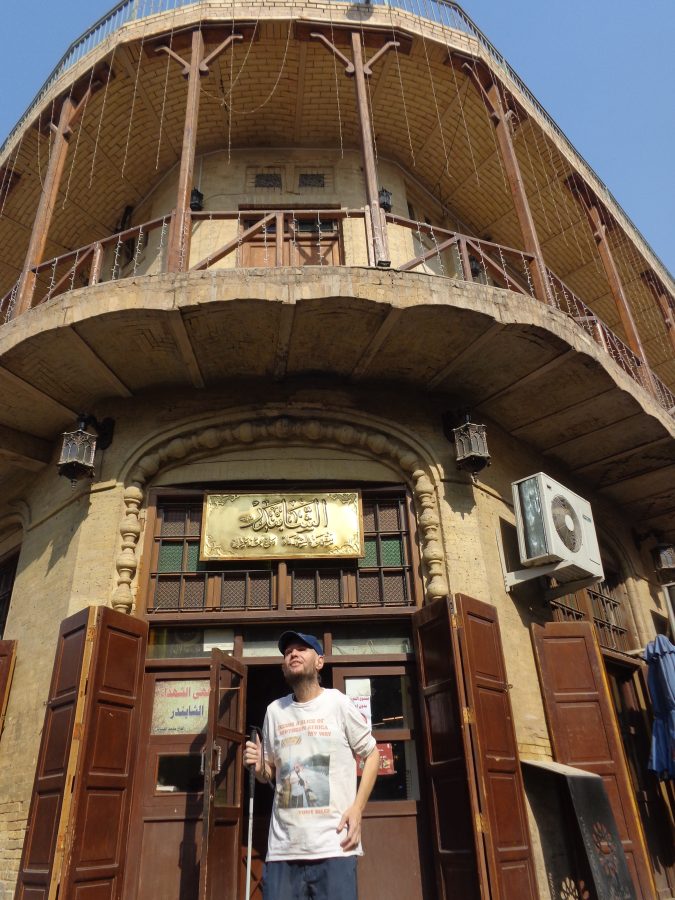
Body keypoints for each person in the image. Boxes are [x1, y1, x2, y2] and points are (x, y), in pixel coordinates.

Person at [244, 630, 380, 900]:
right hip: (283, 850)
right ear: (284, 667)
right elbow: (269, 772)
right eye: (287, 652)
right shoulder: (274, 711)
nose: (292, 654)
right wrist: (258, 767)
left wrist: (357, 809)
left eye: (301, 649)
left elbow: (372, 754)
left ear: (319, 661)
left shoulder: (338, 703)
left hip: (335, 845)